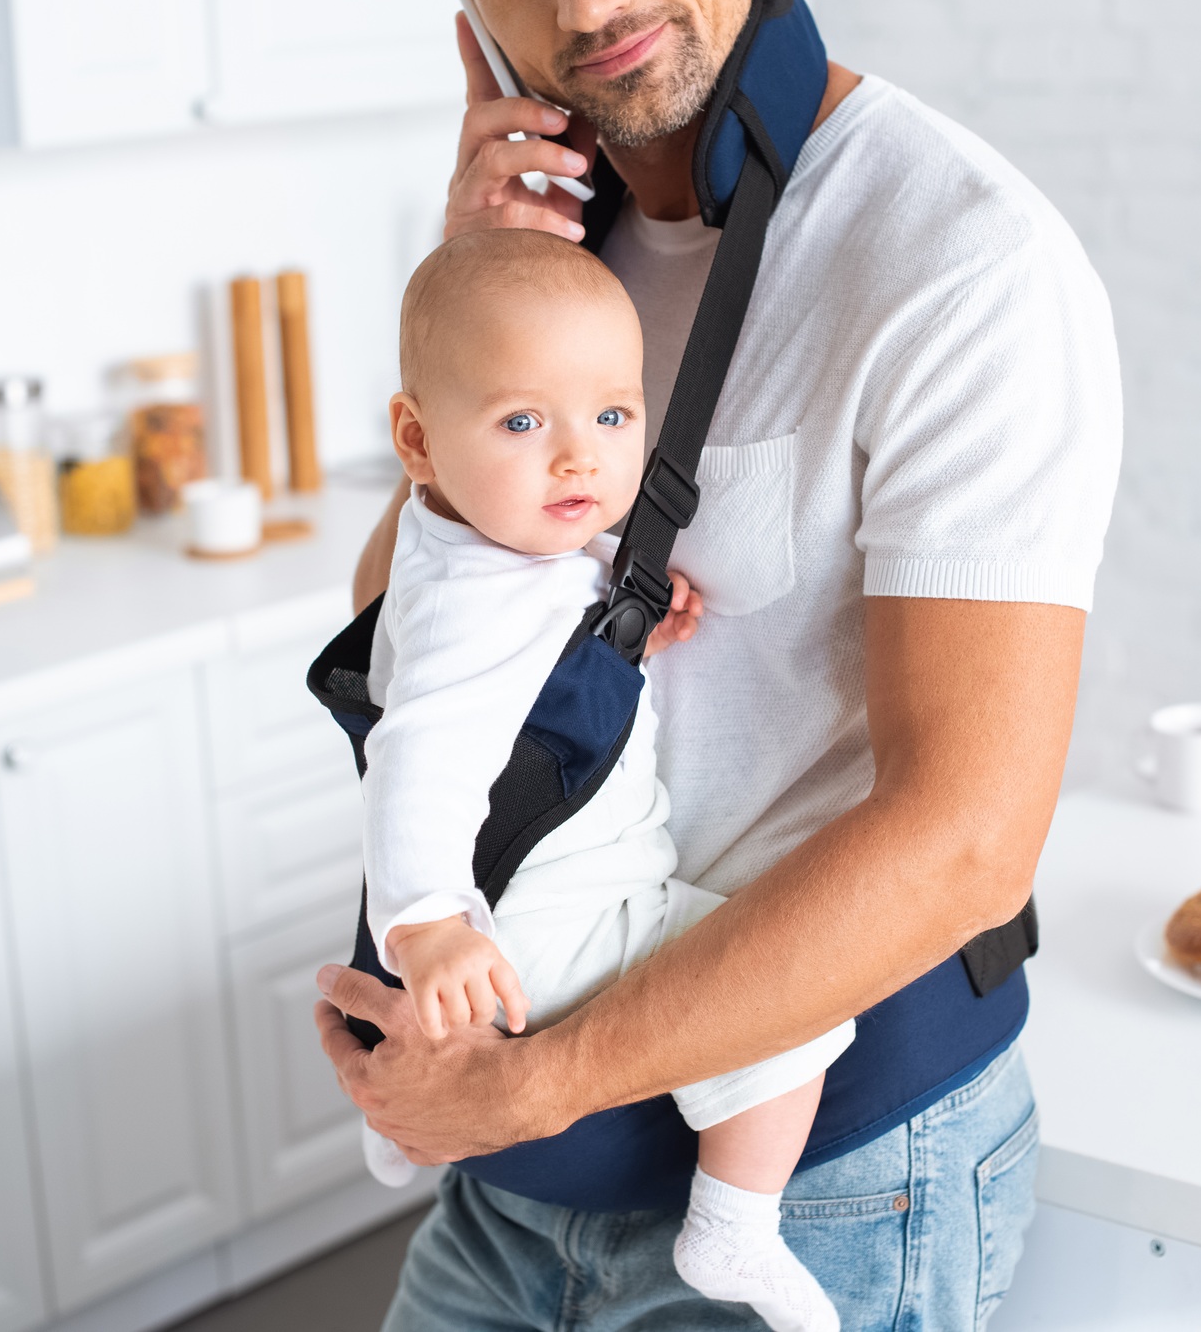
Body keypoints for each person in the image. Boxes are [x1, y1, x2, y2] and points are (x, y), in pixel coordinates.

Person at [315, 0, 1122, 1327]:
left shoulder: (964, 258)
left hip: (826, 1184)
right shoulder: (537, 257)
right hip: (524, 1173)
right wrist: (471, 299)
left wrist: (530, 1081)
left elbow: (970, 840)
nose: (587, 8)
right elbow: (409, 641)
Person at [360, 227, 854, 1331]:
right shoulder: (472, 611)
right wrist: (426, 922)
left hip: (530, 910)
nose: (578, 459)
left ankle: (389, 1127)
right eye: (523, 421)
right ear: (417, 439)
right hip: (563, 921)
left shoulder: (469, 548)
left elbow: (526, 677)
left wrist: (617, 622)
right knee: (780, 998)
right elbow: (413, 759)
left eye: (612, 416)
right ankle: (734, 1220)